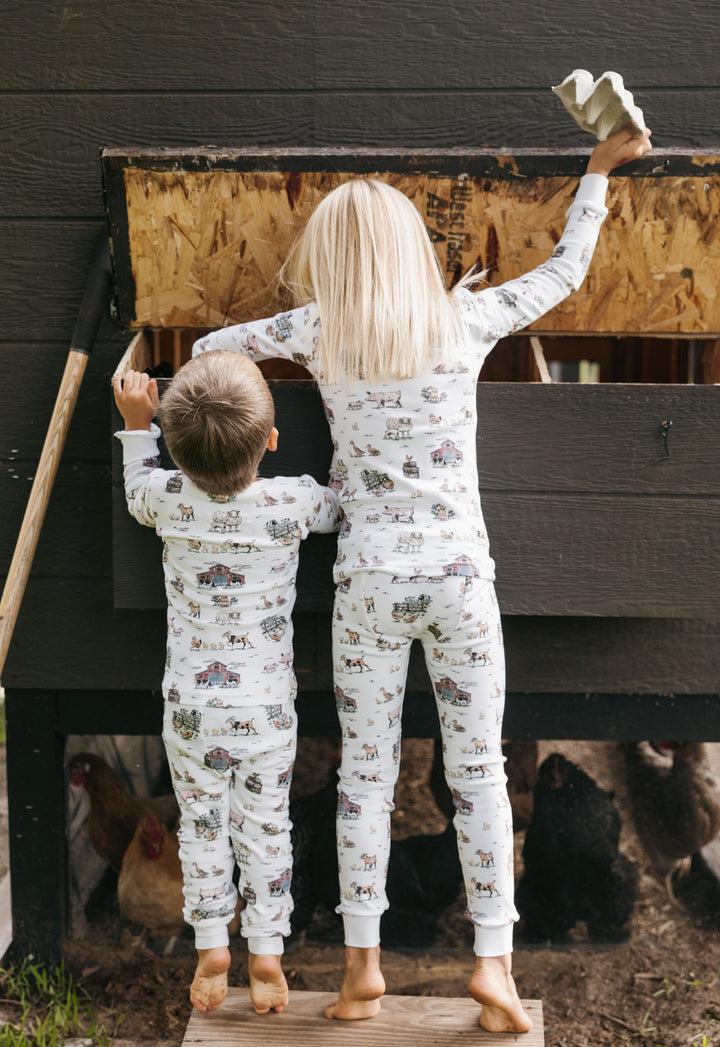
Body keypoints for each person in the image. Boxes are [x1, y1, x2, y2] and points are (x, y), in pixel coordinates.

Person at [191, 125, 653, 1032]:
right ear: (415, 249)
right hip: (457, 582)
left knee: (366, 773)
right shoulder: (464, 318)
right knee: (478, 771)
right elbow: (564, 274)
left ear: (328, 257)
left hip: (366, 578)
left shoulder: (317, 331)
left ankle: (362, 969)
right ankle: (493, 967)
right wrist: (596, 173)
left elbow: (215, 346)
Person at [113, 351, 339, 1015]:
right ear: (270, 439)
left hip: (190, 709)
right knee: (266, 827)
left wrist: (136, 424)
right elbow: (336, 506)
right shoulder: (289, 499)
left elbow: (135, 486)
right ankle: (266, 947)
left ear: (175, 448)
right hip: (264, 710)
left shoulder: (167, 496)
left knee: (203, 826)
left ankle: (213, 941)